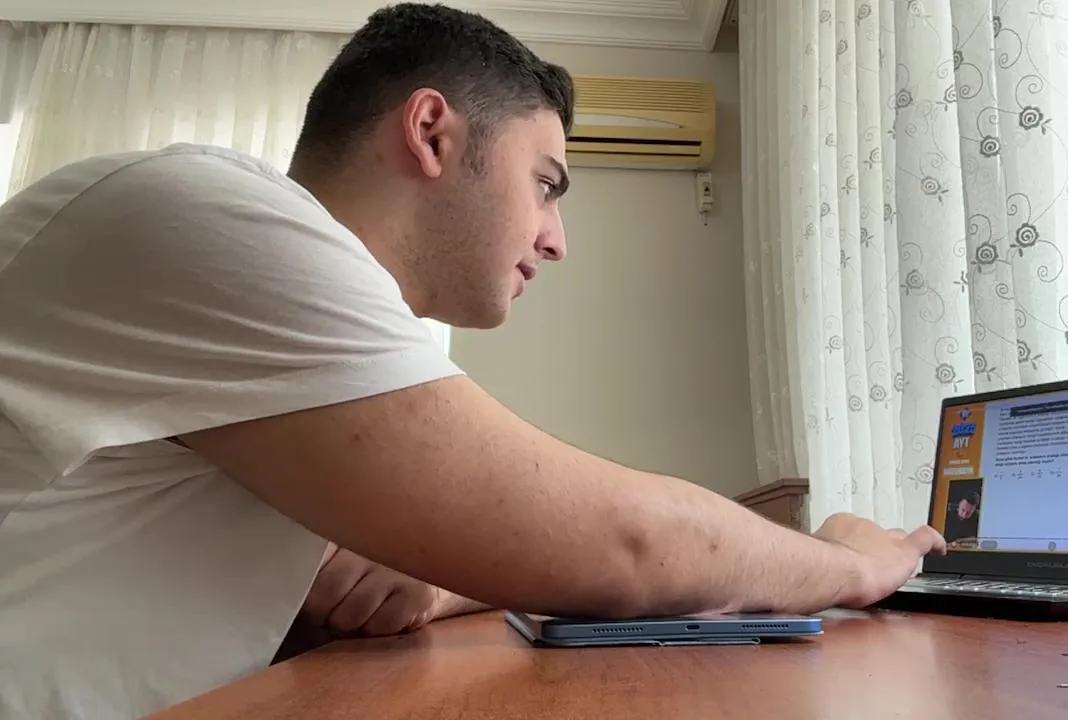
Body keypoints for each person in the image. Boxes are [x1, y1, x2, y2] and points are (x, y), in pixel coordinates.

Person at [0, 3, 945, 718]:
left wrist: (440, 571)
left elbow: (376, 572)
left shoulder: (290, 330)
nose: (557, 239)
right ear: (431, 132)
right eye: (546, 183)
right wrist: (844, 563)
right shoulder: (217, 222)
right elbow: (624, 541)